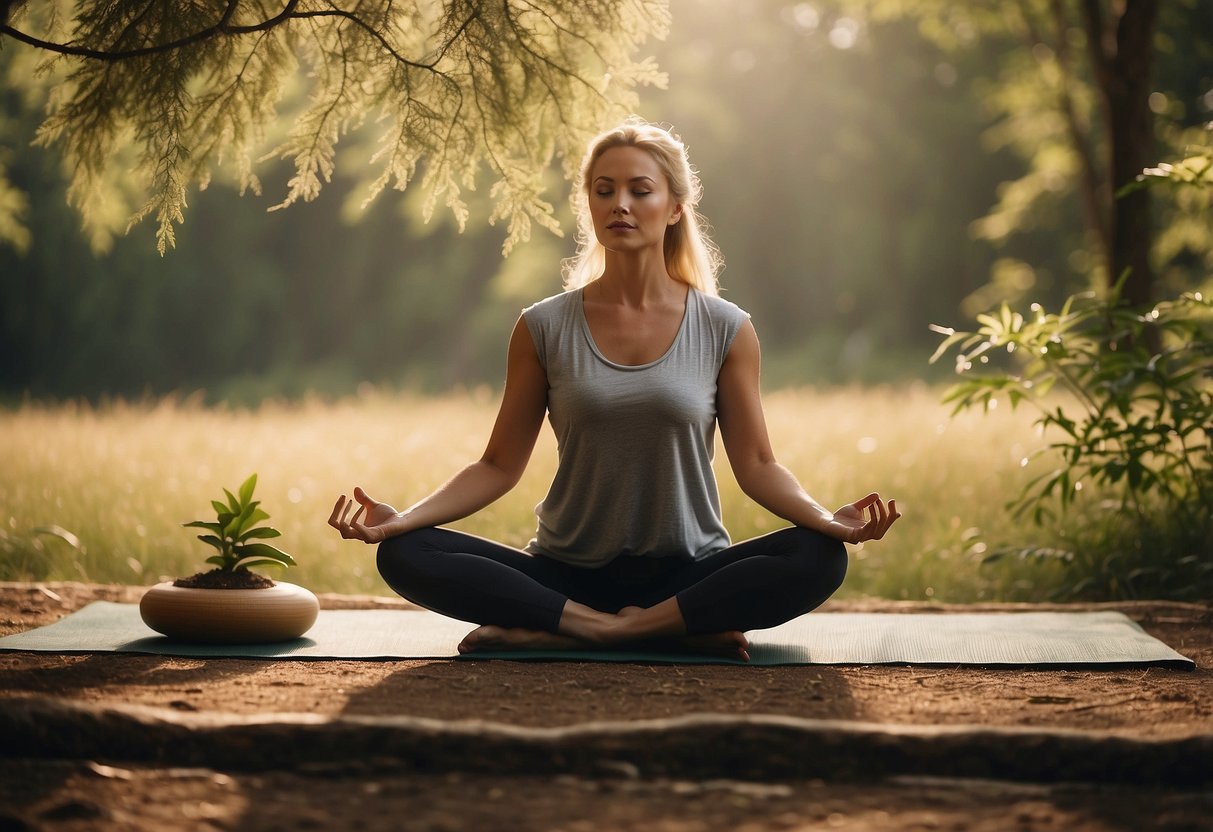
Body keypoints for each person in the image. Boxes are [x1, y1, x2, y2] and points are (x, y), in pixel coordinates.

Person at [329, 119, 900, 661]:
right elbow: (498, 465)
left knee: (817, 557)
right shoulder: (543, 326)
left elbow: (756, 465)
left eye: (639, 189)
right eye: (604, 191)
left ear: (675, 207)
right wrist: (402, 521)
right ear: (590, 207)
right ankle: (630, 631)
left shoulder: (726, 327)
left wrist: (826, 519)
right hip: (563, 577)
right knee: (407, 554)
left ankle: (586, 632)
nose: (619, 204)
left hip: (687, 575)